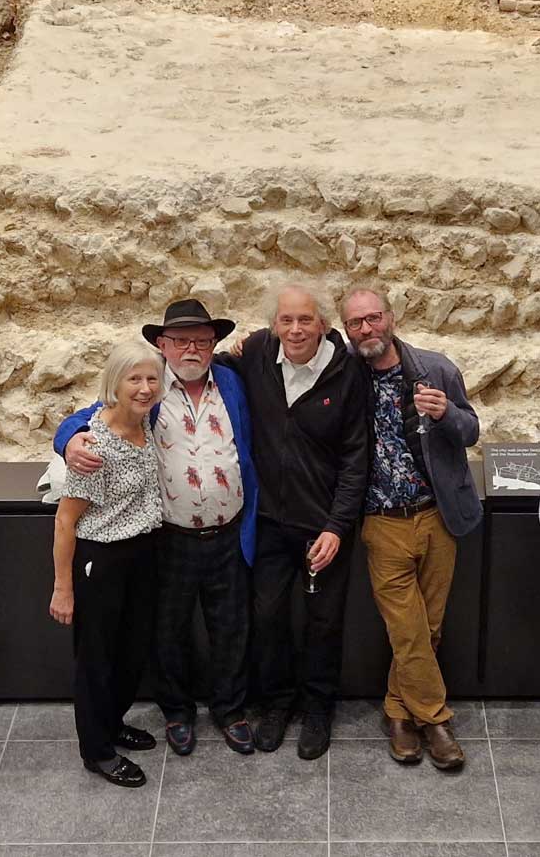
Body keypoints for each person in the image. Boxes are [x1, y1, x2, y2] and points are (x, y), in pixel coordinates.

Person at [54, 300, 259, 757]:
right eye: (181, 340)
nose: (192, 348)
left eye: (203, 340)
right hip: (169, 537)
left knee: (231, 627)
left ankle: (230, 709)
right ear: (162, 345)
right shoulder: (148, 388)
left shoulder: (231, 381)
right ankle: (177, 712)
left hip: (229, 531)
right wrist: (68, 440)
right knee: (168, 631)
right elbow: (85, 416)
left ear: (214, 346)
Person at [215, 282, 369, 760]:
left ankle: (319, 707)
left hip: (323, 525)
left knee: (323, 621)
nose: (296, 329)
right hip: (268, 520)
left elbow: (355, 460)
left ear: (323, 324)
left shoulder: (347, 373)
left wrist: (336, 528)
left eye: (305, 320)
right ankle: (278, 703)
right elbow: (202, 367)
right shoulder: (258, 352)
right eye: (286, 320)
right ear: (272, 325)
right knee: (268, 617)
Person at [340, 286, 482, 770]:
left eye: (373, 318)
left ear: (391, 318)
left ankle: (398, 713)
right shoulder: (346, 375)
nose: (367, 329)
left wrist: (445, 415)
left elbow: (471, 430)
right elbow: (294, 345)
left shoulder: (435, 368)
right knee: (408, 628)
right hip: (382, 523)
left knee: (429, 627)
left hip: (437, 515)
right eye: (356, 322)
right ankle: (435, 720)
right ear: (346, 329)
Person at [49, 340, 164, 788]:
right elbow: (64, 521)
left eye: (151, 378)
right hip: (102, 559)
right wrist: (63, 587)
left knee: (131, 652)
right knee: (96, 659)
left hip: (142, 553)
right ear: (113, 384)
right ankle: (96, 751)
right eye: (134, 379)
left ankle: (112, 723)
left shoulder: (146, 421)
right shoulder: (92, 444)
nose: (144, 387)